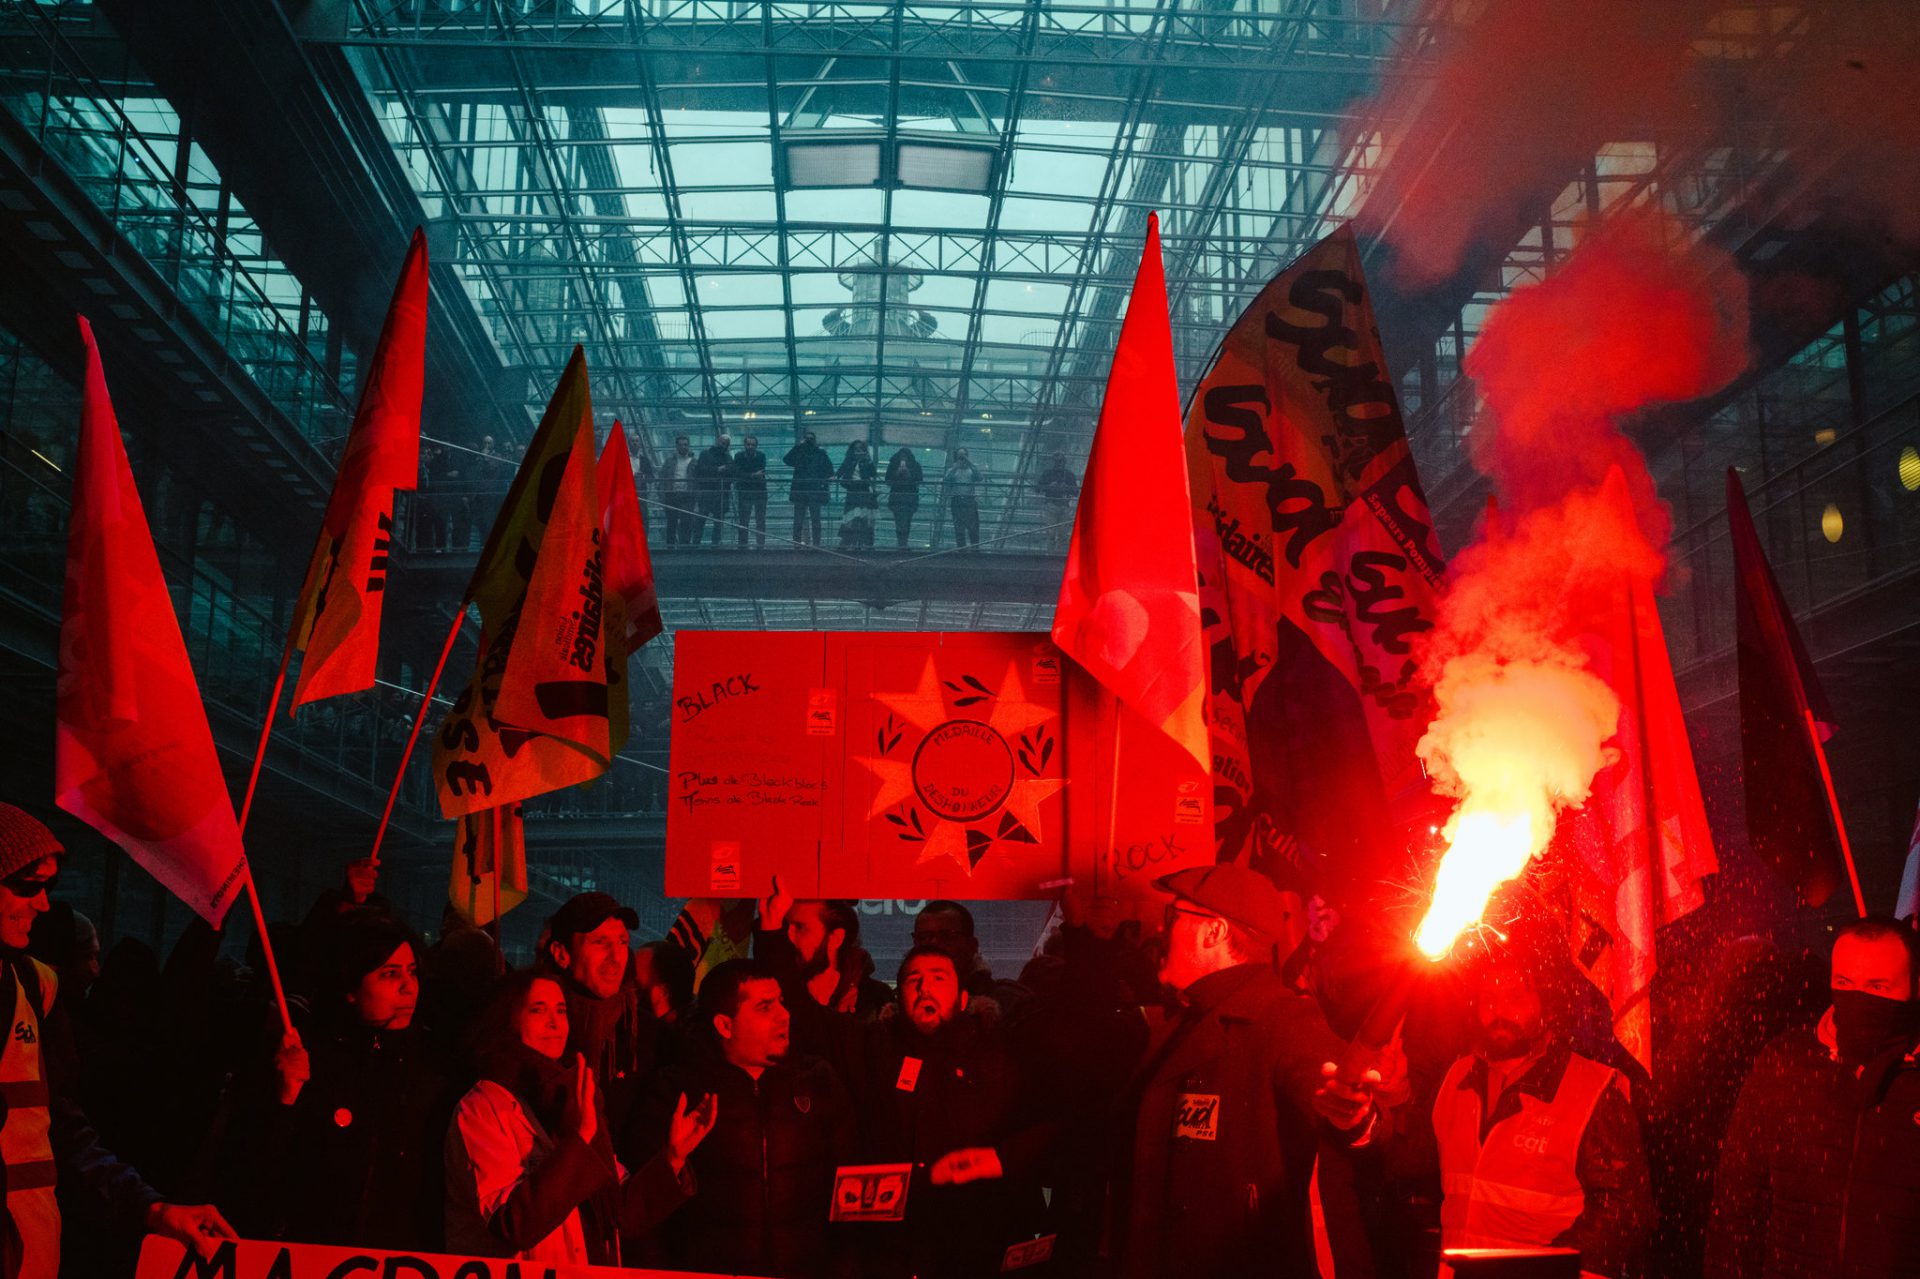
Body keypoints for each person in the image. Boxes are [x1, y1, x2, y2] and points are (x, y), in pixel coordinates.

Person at [1113, 864, 1386, 1279]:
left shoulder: (1283, 1018)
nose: (1159, 927)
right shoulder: (1181, 1021)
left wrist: (1354, 1115)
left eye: (1173, 916)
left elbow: (1337, 1104)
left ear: (1214, 932)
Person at [0, 804, 236, 1276]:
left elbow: (65, 1135)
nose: (43, 904)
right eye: (27, 887)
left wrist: (153, 1210)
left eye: (47, 887)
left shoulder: (35, 987)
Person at [444, 969, 716, 1265]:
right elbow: (514, 1225)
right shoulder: (482, 1107)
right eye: (538, 1010)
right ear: (507, 1019)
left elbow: (619, 1211)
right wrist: (579, 1140)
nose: (554, 1022)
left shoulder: (571, 1094)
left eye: (561, 1010)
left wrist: (673, 1158)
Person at [1707, 914, 1920, 1278]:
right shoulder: (1787, 1062)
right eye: (1845, 982)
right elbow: (1738, 1203)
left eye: (1879, 987)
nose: (1860, 998)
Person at [1427, 936, 1653, 1277]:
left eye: (1515, 996)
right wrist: (1393, 1099)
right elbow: (1413, 1172)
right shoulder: (1457, 1077)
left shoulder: (1593, 1089)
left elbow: (1623, 1217)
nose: (1499, 1011)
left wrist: (1546, 1271)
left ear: (1546, 1003)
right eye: (1488, 998)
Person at [646, 957, 856, 1279]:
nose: (784, 1016)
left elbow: (849, 1178)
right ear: (725, 1025)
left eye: (781, 1003)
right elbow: (648, 1208)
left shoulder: (816, 1079)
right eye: (764, 1007)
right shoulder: (678, 1090)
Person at [259, 911, 451, 1250]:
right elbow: (262, 1179)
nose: (408, 987)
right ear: (349, 988)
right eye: (390, 975)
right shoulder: (306, 1061)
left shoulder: (437, 1071)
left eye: (412, 972)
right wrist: (284, 1104)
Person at [861, 946, 1055, 1279]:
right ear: (898, 996)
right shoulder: (874, 1054)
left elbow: (1051, 1124)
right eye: (913, 980)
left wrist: (999, 1159)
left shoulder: (1000, 1056)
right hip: (895, 1249)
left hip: (978, 1246)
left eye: (938, 979)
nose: (925, 988)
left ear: (964, 997)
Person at [538, 893, 658, 1149]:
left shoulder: (647, 1033)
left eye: (623, 942)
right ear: (561, 954)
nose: (616, 957)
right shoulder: (537, 1029)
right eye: (600, 942)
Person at [911, 901, 1025, 1011]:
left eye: (947, 936)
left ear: (972, 946)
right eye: (924, 937)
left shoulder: (1011, 1003)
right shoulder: (901, 1003)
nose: (934, 944)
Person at [785, 431, 834, 547]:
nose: (809, 441)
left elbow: (829, 470)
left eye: (810, 439)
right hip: (809, 490)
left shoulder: (817, 453)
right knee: (805, 520)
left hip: (808, 490)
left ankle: (807, 544)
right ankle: (806, 544)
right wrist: (798, 447)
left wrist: (798, 447)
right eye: (807, 439)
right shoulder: (810, 453)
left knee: (808, 520)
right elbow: (787, 460)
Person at [693, 433, 734, 547]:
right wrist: (717, 470)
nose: (723, 445)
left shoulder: (708, 454)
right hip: (712, 492)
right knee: (707, 521)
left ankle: (699, 545)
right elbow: (700, 470)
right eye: (722, 442)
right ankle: (707, 545)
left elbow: (700, 470)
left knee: (710, 521)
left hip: (715, 492)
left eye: (725, 443)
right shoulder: (725, 457)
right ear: (717, 441)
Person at [836, 440, 877, 549]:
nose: (858, 451)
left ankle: (863, 542)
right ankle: (850, 542)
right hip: (852, 490)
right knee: (851, 516)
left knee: (863, 516)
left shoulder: (866, 461)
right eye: (856, 449)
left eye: (860, 448)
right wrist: (836, 476)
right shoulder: (849, 460)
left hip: (863, 490)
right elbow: (842, 469)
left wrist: (867, 461)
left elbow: (873, 474)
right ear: (853, 450)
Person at [1035, 451, 1077, 550]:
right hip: (1052, 505)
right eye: (1057, 461)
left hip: (1063, 505)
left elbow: (1075, 492)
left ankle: (1057, 554)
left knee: (1062, 533)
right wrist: (1049, 487)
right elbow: (1038, 489)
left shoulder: (1068, 475)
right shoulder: (1048, 474)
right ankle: (1051, 554)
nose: (1059, 463)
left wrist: (1067, 488)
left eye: (1061, 461)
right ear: (1053, 462)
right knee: (1051, 532)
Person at [733, 434, 769, 550]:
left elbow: (741, 473)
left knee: (759, 520)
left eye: (752, 444)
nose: (750, 446)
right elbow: (738, 473)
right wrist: (753, 475)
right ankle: (745, 546)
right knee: (745, 520)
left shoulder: (740, 457)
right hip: (751, 491)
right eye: (748, 444)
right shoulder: (758, 456)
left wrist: (747, 476)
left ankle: (757, 545)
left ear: (756, 446)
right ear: (744, 445)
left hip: (754, 491)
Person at [660, 436, 698, 546]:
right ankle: (671, 546)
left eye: (685, 444)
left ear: (688, 446)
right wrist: (663, 495)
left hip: (687, 495)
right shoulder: (669, 462)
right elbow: (662, 478)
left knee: (686, 522)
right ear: (677, 446)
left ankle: (684, 546)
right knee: (672, 522)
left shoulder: (694, 462)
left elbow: (697, 481)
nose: (683, 447)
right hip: (672, 494)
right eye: (681, 444)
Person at [943, 448, 981, 551]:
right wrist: (955, 467)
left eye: (964, 456)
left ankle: (975, 549)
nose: (962, 459)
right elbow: (947, 480)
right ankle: (962, 549)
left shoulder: (971, 470)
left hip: (969, 500)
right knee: (959, 527)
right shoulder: (952, 470)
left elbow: (979, 477)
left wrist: (969, 463)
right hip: (957, 500)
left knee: (973, 527)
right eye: (960, 457)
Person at [884, 447, 922, 549]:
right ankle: (903, 543)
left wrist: (903, 474)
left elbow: (888, 480)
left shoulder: (893, 465)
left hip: (900, 496)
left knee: (903, 521)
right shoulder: (915, 465)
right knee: (903, 521)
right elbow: (918, 481)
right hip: (907, 497)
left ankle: (902, 542)